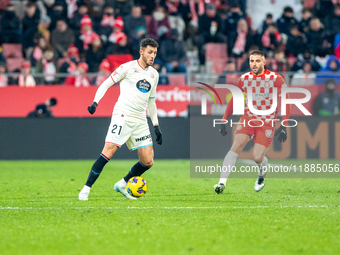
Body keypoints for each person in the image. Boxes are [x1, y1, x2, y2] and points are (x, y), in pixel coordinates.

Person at [78, 38, 163, 201]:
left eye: (155, 53)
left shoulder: (154, 74)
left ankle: (123, 183)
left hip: (140, 120)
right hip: (123, 116)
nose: (153, 56)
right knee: (108, 151)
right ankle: (86, 189)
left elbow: (151, 101)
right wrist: (95, 102)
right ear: (141, 52)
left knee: (148, 161)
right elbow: (105, 84)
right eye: (150, 52)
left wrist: (156, 126)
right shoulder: (127, 68)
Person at [213, 50, 290, 194]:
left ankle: (261, 175)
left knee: (257, 157)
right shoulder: (244, 78)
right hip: (248, 119)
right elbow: (234, 100)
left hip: (266, 122)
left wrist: (284, 124)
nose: (254, 64)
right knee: (236, 146)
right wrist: (224, 120)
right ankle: (221, 183)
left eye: (257, 61)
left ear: (264, 62)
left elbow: (286, 101)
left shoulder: (276, 79)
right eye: (251, 61)